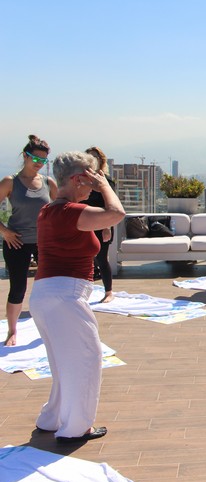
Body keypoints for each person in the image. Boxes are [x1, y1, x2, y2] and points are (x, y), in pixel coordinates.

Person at [29, 151, 125, 442]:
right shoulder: (69, 211)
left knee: (62, 362)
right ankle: (75, 428)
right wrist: (105, 186)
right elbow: (117, 213)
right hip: (65, 296)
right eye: (90, 177)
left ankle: (52, 418)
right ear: (77, 178)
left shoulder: (51, 210)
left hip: (46, 294)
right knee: (86, 358)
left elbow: (89, 232)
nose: (93, 183)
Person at [0, 135, 57, 346]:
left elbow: (62, 207)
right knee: (18, 288)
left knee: (49, 286)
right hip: (17, 242)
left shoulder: (48, 182)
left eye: (43, 161)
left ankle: (51, 326)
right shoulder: (9, 182)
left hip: (44, 242)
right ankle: (12, 331)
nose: (39, 164)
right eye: (35, 159)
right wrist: (5, 232)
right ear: (25, 156)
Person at [82, 146, 117, 303]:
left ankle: (108, 292)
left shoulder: (106, 180)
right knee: (83, 258)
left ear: (101, 160)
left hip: (102, 224)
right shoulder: (81, 179)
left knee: (101, 258)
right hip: (84, 224)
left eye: (95, 157)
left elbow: (110, 206)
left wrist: (107, 227)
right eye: (89, 157)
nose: (92, 160)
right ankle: (83, 291)